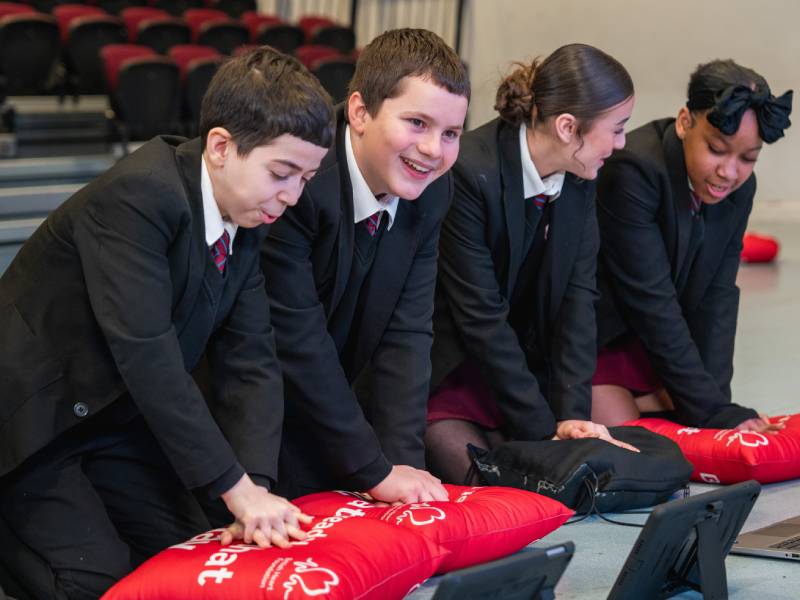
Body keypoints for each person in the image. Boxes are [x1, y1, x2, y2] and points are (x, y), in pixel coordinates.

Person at [0, 46, 333, 600]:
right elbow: (147, 355)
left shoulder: (249, 213)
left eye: (307, 178)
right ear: (222, 147)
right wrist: (235, 488)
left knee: (198, 555)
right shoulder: (140, 195)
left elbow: (251, 359)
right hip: (33, 425)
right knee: (93, 582)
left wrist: (254, 487)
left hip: (113, 422)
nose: (293, 197)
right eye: (283, 173)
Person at [261, 28, 470, 502]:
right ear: (359, 112)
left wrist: (404, 467)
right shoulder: (301, 183)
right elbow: (297, 342)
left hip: (334, 403)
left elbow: (408, 333)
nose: (434, 149)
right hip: (256, 408)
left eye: (451, 133)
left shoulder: (433, 189)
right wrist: (372, 470)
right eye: (417, 122)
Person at [426, 44, 638, 485]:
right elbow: (480, 317)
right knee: (497, 486)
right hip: (461, 363)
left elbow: (579, 301)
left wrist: (571, 417)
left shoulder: (579, 175)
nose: (621, 144)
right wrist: (544, 431)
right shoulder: (469, 171)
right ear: (567, 127)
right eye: (617, 129)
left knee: (579, 472)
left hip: (525, 366)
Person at [591, 59, 792, 432]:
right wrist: (709, 409)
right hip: (598, 337)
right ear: (685, 122)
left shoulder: (740, 189)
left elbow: (719, 296)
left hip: (652, 335)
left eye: (748, 158)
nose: (729, 172)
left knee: (688, 405)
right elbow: (650, 301)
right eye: (717, 149)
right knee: (625, 431)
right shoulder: (633, 172)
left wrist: (719, 405)